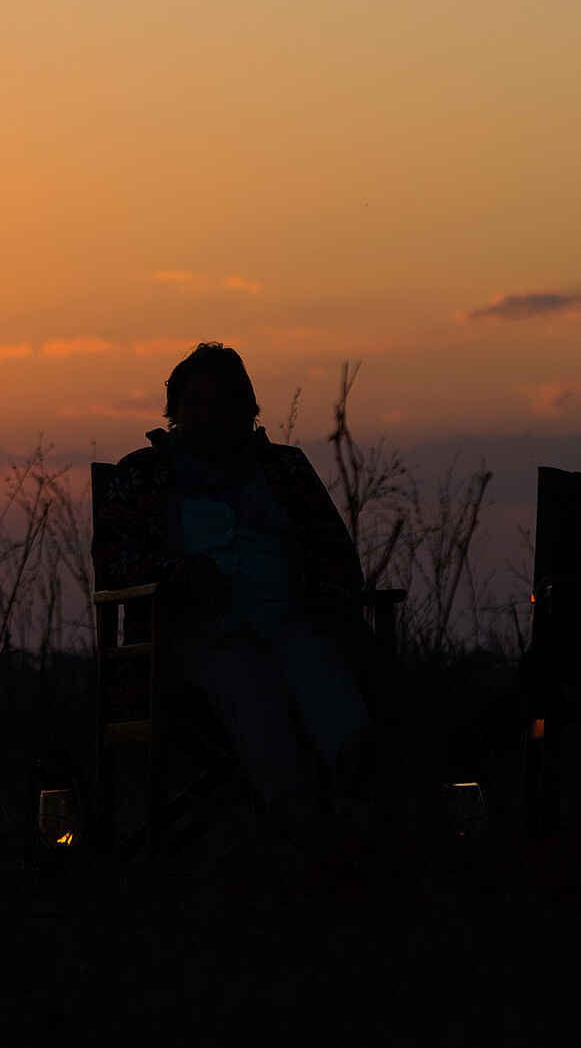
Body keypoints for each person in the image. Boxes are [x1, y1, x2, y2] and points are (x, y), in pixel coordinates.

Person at [98, 343, 377, 828]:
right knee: (251, 691)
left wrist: (328, 607)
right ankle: (291, 824)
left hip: (294, 623)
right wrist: (177, 576)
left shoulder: (285, 470)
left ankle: (357, 815)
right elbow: (116, 563)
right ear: (174, 409)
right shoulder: (142, 475)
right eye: (195, 402)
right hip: (193, 637)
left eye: (222, 401)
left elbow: (335, 556)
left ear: (246, 409)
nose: (208, 415)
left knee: (329, 687)